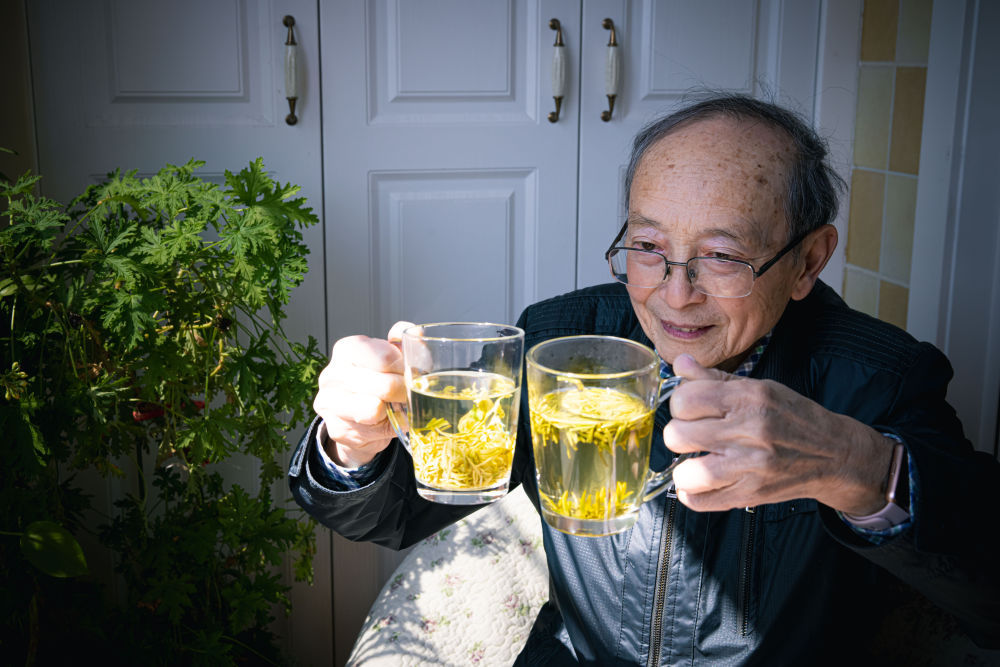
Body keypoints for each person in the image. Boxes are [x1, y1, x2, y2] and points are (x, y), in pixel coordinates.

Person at [289, 94, 1000, 664]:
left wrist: (859, 466)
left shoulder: (879, 376)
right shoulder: (554, 339)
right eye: (648, 246)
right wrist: (354, 442)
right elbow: (395, 513)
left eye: (720, 256)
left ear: (809, 260)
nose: (673, 292)